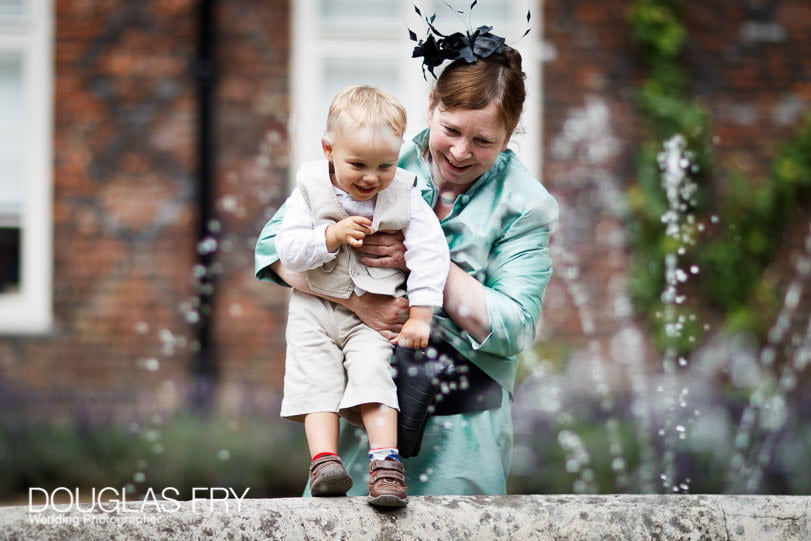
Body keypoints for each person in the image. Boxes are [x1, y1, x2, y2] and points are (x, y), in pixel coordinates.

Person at [256, 22, 558, 495]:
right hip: (366, 407)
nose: (460, 152)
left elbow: (515, 326)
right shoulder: (379, 159)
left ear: (510, 134)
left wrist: (425, 265)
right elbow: (273, 250)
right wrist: (358, 302)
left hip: (462, 422)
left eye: (483, 141)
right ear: (431, 108)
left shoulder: (525, 204)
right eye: (450, 130)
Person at [273, 85, 449, 507]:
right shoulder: (309, 190)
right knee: (315, 379)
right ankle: (325, 463)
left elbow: (430, 252)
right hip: (314, 311)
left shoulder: (404, 194)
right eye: (358, 164)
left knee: (375, 374)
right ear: (328, 149)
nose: (372, 177)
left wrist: (421, 314)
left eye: (385, 165)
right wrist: (329, 236)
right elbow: (286, 250)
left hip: (372, 318)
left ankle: (385, 466)